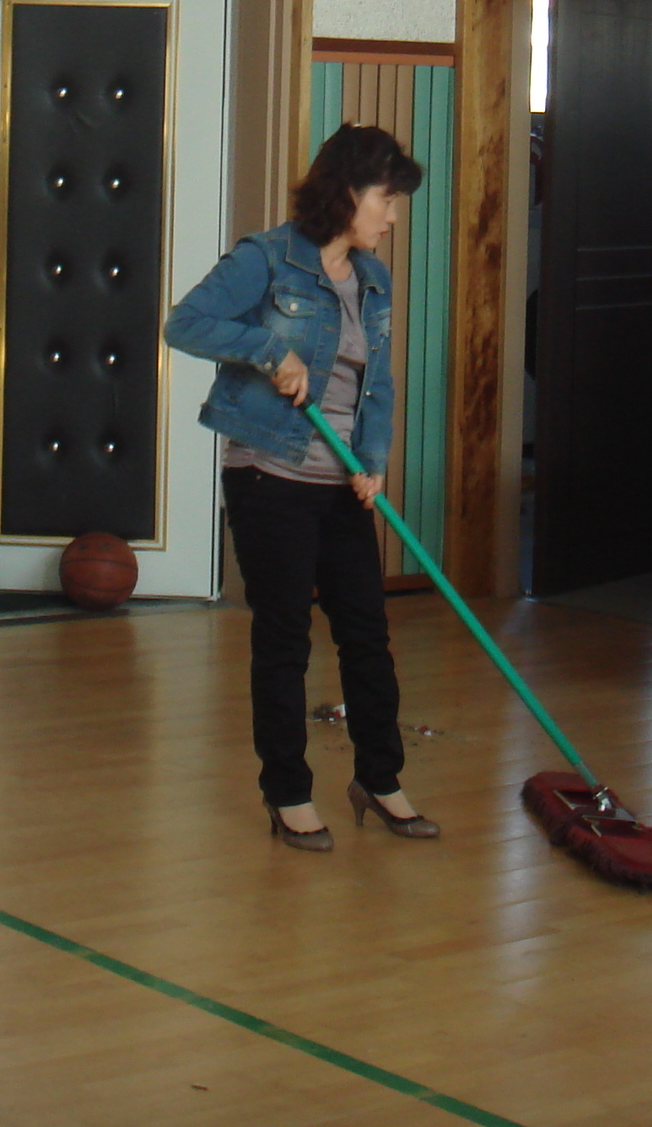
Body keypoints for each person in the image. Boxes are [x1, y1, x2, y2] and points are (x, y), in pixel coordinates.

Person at [165, 124, 436, 851]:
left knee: (367, 635)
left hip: (342, 481)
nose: (393, 216)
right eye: (386, 199)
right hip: (270, 476)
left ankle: (380, 778)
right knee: (285, 638)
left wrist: (372, 460)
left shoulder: (371, 280)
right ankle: (287, 793)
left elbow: (376, 387)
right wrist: (267, 349)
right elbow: (184, 324)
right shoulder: (266, 259)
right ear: (348, 193)